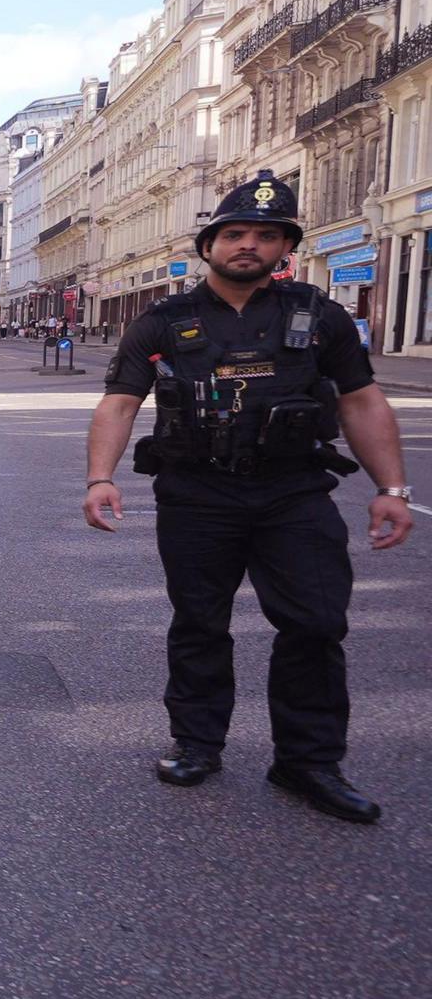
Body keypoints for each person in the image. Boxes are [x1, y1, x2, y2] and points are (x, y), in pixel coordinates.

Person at [83, 170, 412, 822]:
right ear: (209, 245)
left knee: (316, 623)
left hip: (294, 492)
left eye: (266, 235)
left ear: (285, 248)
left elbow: (361, 400)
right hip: (197, 493)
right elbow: (120, 403)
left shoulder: (319, 317)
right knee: (200, 621)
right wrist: (99, 478)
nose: (248, 245)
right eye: (234, 233)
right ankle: (198, 744)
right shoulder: (163, 321)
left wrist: (392, 488)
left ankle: (308, 761)